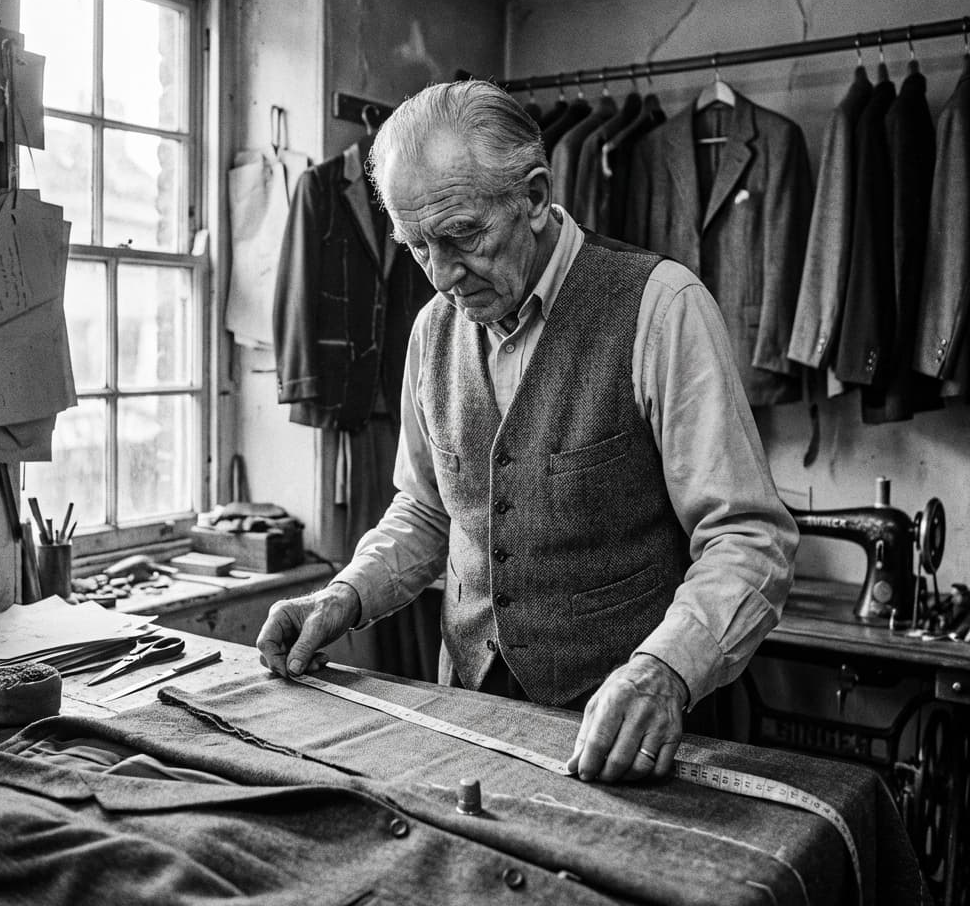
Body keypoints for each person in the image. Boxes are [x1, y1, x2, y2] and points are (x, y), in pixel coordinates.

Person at [257, 80, 797, 784]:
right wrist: (344, 595)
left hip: (633, 735)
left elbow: (747, 538)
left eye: (462, 235)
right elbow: (428, 508)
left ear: (535, 196)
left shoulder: (662, 308)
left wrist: (665, 672)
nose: (443, 275)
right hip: (470, 717)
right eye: (418, 246)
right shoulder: (433, 329)